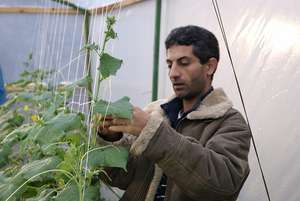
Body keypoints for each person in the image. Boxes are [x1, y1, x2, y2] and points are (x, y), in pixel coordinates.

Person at [98, 25, 251, 201]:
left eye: (184, 63)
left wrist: (153, 132)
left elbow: (221, 185)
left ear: (209, 66)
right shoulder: (156, 113)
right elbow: (123, 178)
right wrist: (111, 139)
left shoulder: (231, 123)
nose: (173, 73)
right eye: (170, 65)